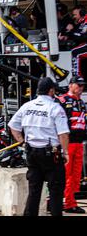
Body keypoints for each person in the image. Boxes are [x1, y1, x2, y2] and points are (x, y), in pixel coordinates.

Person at [9, 77, 70, 216]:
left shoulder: (27, 106)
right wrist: (66, 153)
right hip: (51, 154)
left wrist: (22, 142)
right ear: (51, 91)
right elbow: (63, 134)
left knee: (34, 191)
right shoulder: (55, 108)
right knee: (56, 191)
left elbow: (13, 125)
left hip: (32, 153)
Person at [56, 76, 87, 214]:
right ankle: (54, 202)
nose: (81, 88)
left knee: (75, 177)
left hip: (79, 144)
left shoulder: (82, 102)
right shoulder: (62, 100)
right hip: (66, 144)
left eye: (82, 86)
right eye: (78, 85)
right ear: (70, 85)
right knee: (63, 175)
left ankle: (70, 203)